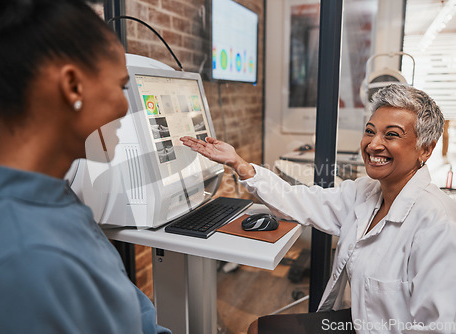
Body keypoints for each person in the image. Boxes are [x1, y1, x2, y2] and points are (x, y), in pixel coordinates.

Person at [0, 1, 169, 333]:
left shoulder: (54, 198)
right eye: (121, 86)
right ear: (73, 86)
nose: (126, 106)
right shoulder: (20, 264)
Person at [181, 84, 456, 333]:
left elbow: (437, 328)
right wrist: (241, 164)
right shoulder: (365, 192)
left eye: (391, 135)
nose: (373, 145)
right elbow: (299, 200)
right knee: (258, 329)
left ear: (426, 150)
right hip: (363, 322)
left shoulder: (437, 224)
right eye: (370, 131)